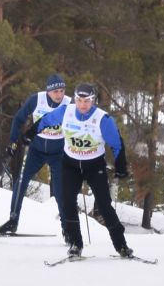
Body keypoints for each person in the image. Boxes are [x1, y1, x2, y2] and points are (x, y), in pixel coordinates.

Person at [35, 82, 134, 259]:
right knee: (67, 203)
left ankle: (122, 246)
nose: (82, 105)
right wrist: (29, 133)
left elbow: (117, 144)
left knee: (104, 205)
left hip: (94, 166)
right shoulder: (66, 111)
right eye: (79, 100)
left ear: (93, 100)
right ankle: (75, 244)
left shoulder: (103, 119)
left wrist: (120, 167)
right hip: (70, 164)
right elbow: (46, 121)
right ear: (75, 99)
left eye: (86, 101)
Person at [0, 73, 67, 235]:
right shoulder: (36, 100)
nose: (59, 95)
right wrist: (12, 142)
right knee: (20, 182)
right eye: (56, 92)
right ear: (48, 91)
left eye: (62, 91)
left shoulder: (69, 103)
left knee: (61, 190)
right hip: (36, 150)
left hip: (58, 153)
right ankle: (13, 221)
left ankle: (67, 228)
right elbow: (18, 119)